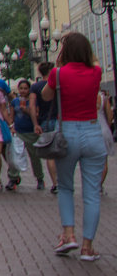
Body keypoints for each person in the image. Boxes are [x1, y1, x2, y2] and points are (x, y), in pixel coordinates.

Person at [40, 32, 105, 261]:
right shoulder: (95, 71)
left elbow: (46, 96)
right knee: (92, 193)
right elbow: (94, 61)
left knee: (66, 187)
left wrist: (59, 65)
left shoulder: (58, 74)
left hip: (67, 133)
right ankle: (88, 248)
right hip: (93, 133)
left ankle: (68, 235)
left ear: (64, 52)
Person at [30, 61, 59, 192]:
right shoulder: (58, 84)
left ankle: (55, 183)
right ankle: (63, 181)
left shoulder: (35, 87)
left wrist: (35, 124)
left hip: (44, 121)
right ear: (52, 71)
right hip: (61, 120)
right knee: (63, 151)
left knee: (50, 155)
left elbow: (32, 106)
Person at [11, 79, 43, 191]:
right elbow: (12, 115)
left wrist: (27, 110)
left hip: (31, 132)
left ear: (29, 89)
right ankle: (13, 178)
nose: (23, 91)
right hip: (19, 131)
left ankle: (39, 178)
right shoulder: (15, 101)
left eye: (25, 88)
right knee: (16, 155)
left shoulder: (33, 101)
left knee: (34, 157)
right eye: (21, 88)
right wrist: (12, 126)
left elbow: (37, 115)